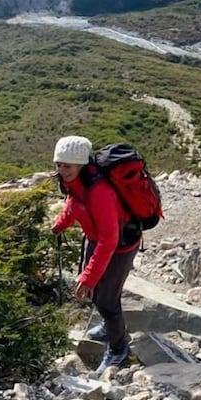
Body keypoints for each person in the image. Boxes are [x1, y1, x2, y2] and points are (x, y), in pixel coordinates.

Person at [51, 134, 138, 375]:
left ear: (80, 163)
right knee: (99, 292)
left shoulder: (100, 191)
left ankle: (119, 348)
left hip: (120, 246)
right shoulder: (77, 181)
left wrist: (89, 277)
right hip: (97, 238)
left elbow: (109, 239)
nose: (61, 170)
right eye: (58, 164)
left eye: (66, 165)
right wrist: (61, 223)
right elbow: (73, 203)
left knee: (107, 299)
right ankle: (111, 327)